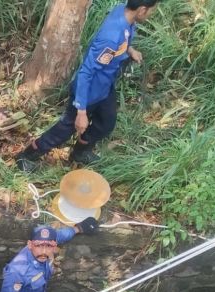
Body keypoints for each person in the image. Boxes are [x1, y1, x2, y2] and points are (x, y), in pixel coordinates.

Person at [15, 0, 161, 171]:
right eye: (152, 10)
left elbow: (122, 42)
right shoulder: (110, 37)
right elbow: (86, 73)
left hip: (105, 87)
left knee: (106, 123)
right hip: (88, 93)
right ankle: (27, 156)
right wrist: (82, 112)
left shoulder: (124, 13)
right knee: (65, 130)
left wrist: (130, 50)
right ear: (142, 10)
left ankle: (80, 152)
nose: (152, 14)